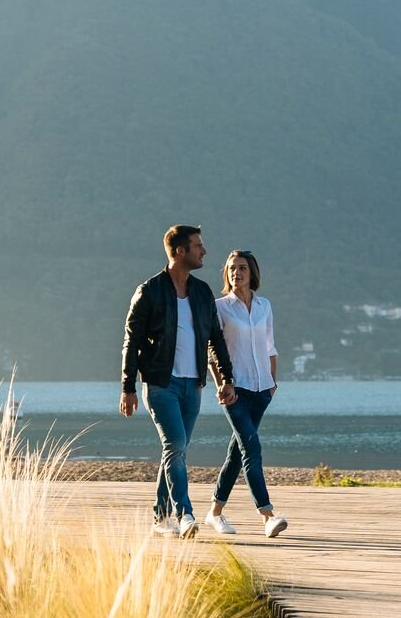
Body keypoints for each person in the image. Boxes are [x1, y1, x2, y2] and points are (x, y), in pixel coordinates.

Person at [119, 224, 237, 538]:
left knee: (177, 450)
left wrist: (226, 378)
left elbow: (216, 339)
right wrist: (128, 387)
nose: (205, 251)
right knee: (175, 445)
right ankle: (184, 514)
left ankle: (159, 518)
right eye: (198, 246)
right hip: (160, 384)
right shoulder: (149, 291)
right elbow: (131, 341)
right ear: (180, 251)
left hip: (193, 384)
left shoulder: (201, 292)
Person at [207, 249, 288, 538]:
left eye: (242, 268)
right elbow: (211, 351)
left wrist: (272, 382)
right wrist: (221, 383)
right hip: (235, 390)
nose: (236, 273)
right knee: (251, 448)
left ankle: (215, 513)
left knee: (236, 453)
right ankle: (267, 515)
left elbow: (270, 346)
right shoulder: (219, 307)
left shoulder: (265, 306)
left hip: (261, 389)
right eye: (231, 268)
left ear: (252, 272)